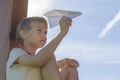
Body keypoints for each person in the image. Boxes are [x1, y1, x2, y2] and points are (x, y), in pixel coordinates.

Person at [6, 16, 72, 80]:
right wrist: (62, 33)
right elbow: (38, 60)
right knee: (48, 56)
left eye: (45, 33)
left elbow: (42, 59)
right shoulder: (16, 52)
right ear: (23, 33)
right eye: (39, 30)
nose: (44, 35)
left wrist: (66, 61)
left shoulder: (41, 59)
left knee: (70, 69)